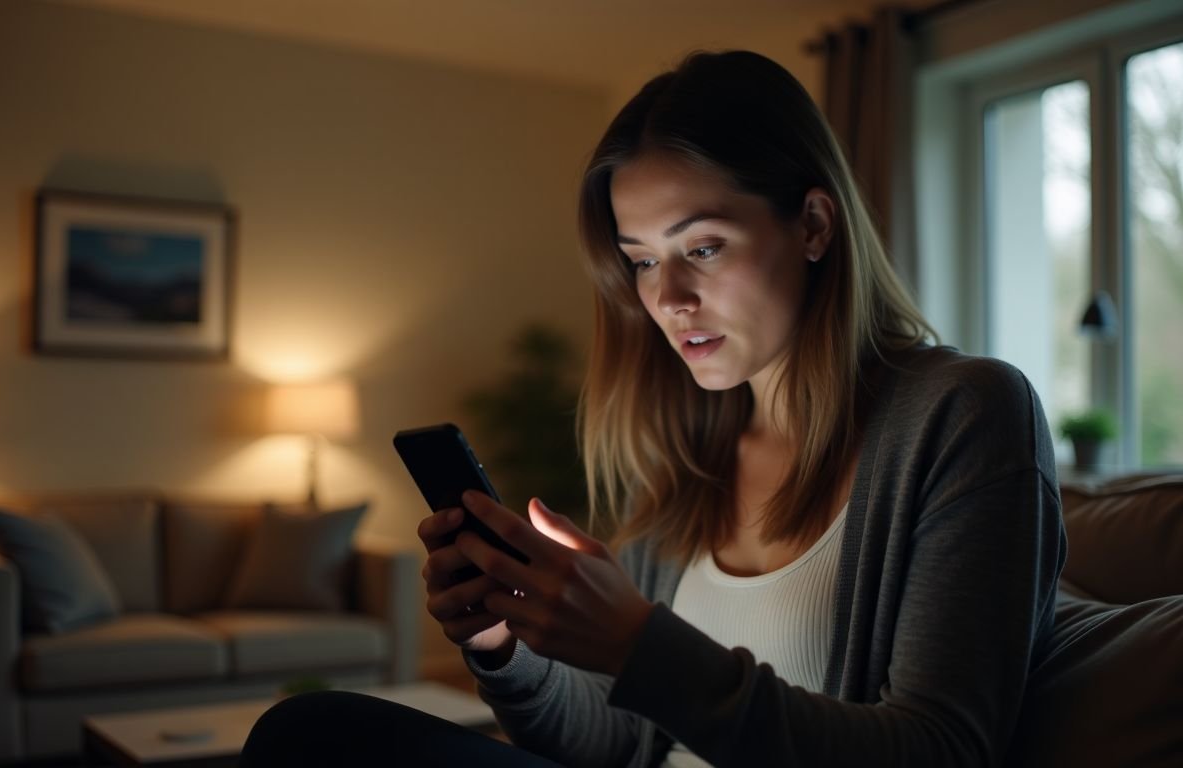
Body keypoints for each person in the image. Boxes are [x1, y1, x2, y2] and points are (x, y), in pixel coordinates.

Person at [241, 49, 1065, 767]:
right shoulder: (690, 452)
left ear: (814, 224)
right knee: (314, 732)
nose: (667, 297)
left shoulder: (965, 414)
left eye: (702, 247)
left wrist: (640, 644)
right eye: (640, 261)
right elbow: (612, 744)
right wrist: (498, 646)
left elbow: (941, 751)